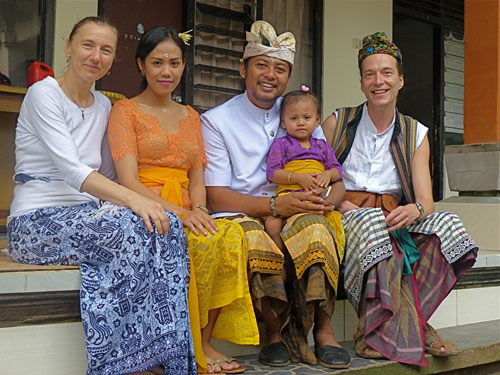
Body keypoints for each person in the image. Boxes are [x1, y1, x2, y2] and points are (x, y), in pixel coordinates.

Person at [7, 17, 196, 375]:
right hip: (35, 224)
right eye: (87, 45)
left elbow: (108, 176)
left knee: (167, 225)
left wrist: (141, 205)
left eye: (105, 50)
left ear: (112, 59)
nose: (96, 56)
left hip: (86, 217)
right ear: (68, 47)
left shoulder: (104, 107)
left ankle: (163, 357)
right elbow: (73, 171)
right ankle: (121, 364)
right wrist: (136, 200)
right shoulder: (43, 93)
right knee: (127, 226)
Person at [200, 20, 350, 369]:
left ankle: (324, 333)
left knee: (317, 228)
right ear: (243, 69)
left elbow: (335, 177)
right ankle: (274, 335)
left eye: (279, 68)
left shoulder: (300, 112)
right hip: (245, 212)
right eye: (261, 65)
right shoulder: (217, 121)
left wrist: (327, 200)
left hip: (301, 208)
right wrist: (273, 205)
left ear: (288, 75)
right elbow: (217, 196)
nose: (270, 75)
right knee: (255, 240)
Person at [322, 31, 478, 366]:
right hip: (345, 213)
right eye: (370, 74)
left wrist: (413, 210)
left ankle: (410, 323)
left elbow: (426, 202)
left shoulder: (415, 133)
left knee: (449, 225)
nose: (379, 81)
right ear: (362, 82)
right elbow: (316, 178)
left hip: (393, 218)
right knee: (369, 222)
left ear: (401, 80)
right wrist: (339, 203)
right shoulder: (338, 122)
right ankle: (385, 328)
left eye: (387, 72)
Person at [107, 26, 255, 374]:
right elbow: (127, 180)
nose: (166, 72)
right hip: (143, 206)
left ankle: (203, 340)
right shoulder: (124, 112)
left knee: (231, 237)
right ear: (141, 65)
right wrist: (178, 213)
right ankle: (178, 343)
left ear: (184, 65)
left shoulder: (191, 116)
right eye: (157, 63)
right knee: (194, 243)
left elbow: (197, 175)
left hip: (187, 206)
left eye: (174, 63)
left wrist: (199, 209)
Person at [265, 87, 344, 252]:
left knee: (332, 224)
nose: (300, 122)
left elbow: (337, 171)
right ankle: (283, 261)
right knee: (271, 225)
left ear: (317, 120)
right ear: (283, 123)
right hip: (289, 197)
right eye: (294, 118)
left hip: (316, 198)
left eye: (306, 117)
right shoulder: (281, 144)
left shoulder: (322, 146)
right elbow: (272, 173)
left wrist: (327, 175)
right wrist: (298, 178)